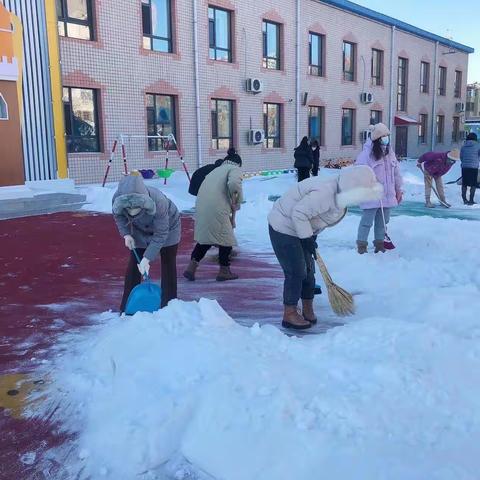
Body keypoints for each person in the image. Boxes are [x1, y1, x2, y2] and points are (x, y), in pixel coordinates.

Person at [268, 165, 383, 330]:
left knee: (309, 271)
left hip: (301, 229)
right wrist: (306, 237)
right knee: (297, 271)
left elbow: (317, 217)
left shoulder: (341, 195)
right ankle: (290, 313)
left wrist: (310, 236)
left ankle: (307, 308)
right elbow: (299, 213)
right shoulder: (326, 193)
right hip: (283, 226)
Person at [112, 172, 181, 312]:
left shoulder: (158, 201)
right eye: (129, 209)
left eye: (136, 208)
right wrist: (126, 235)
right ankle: (127, 306)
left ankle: (169, 306)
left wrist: (147, 258)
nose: (132, 211)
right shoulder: (116, 200)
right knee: (134, 264)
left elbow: (161, 234)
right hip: (138, 230)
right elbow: (119, 217)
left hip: (169, 227)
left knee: (168, 262)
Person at [183, 150, 243, 282]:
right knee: (226, 239)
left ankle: (191, 268)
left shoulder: (216, 170)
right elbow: (234, 184)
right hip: (217, 208)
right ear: (238, 164)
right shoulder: (234, 169)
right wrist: (237, 201)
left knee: (206, 238)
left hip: (202, 206)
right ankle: (224, 271)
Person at [355, 123, 403, 254]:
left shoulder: (390, 154)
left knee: (383, 222)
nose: (386, 139)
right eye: (383, 137)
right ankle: (361, 245)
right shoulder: (366, 155)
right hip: (371, 194)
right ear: (376, 139)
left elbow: (396, 173)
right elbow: (359, 173)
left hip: (387, 195)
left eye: (387, 136)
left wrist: (399, 189)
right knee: (367, 221)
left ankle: (380, 244)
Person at [460, 132, 480, 205]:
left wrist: (464, 162)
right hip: (474, 167)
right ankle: (471, 200)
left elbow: (461, 157)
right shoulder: (478, 146)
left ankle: (464, 199)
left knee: (464, 183)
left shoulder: (463, 146)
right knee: (473, 184)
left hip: (464, 167)